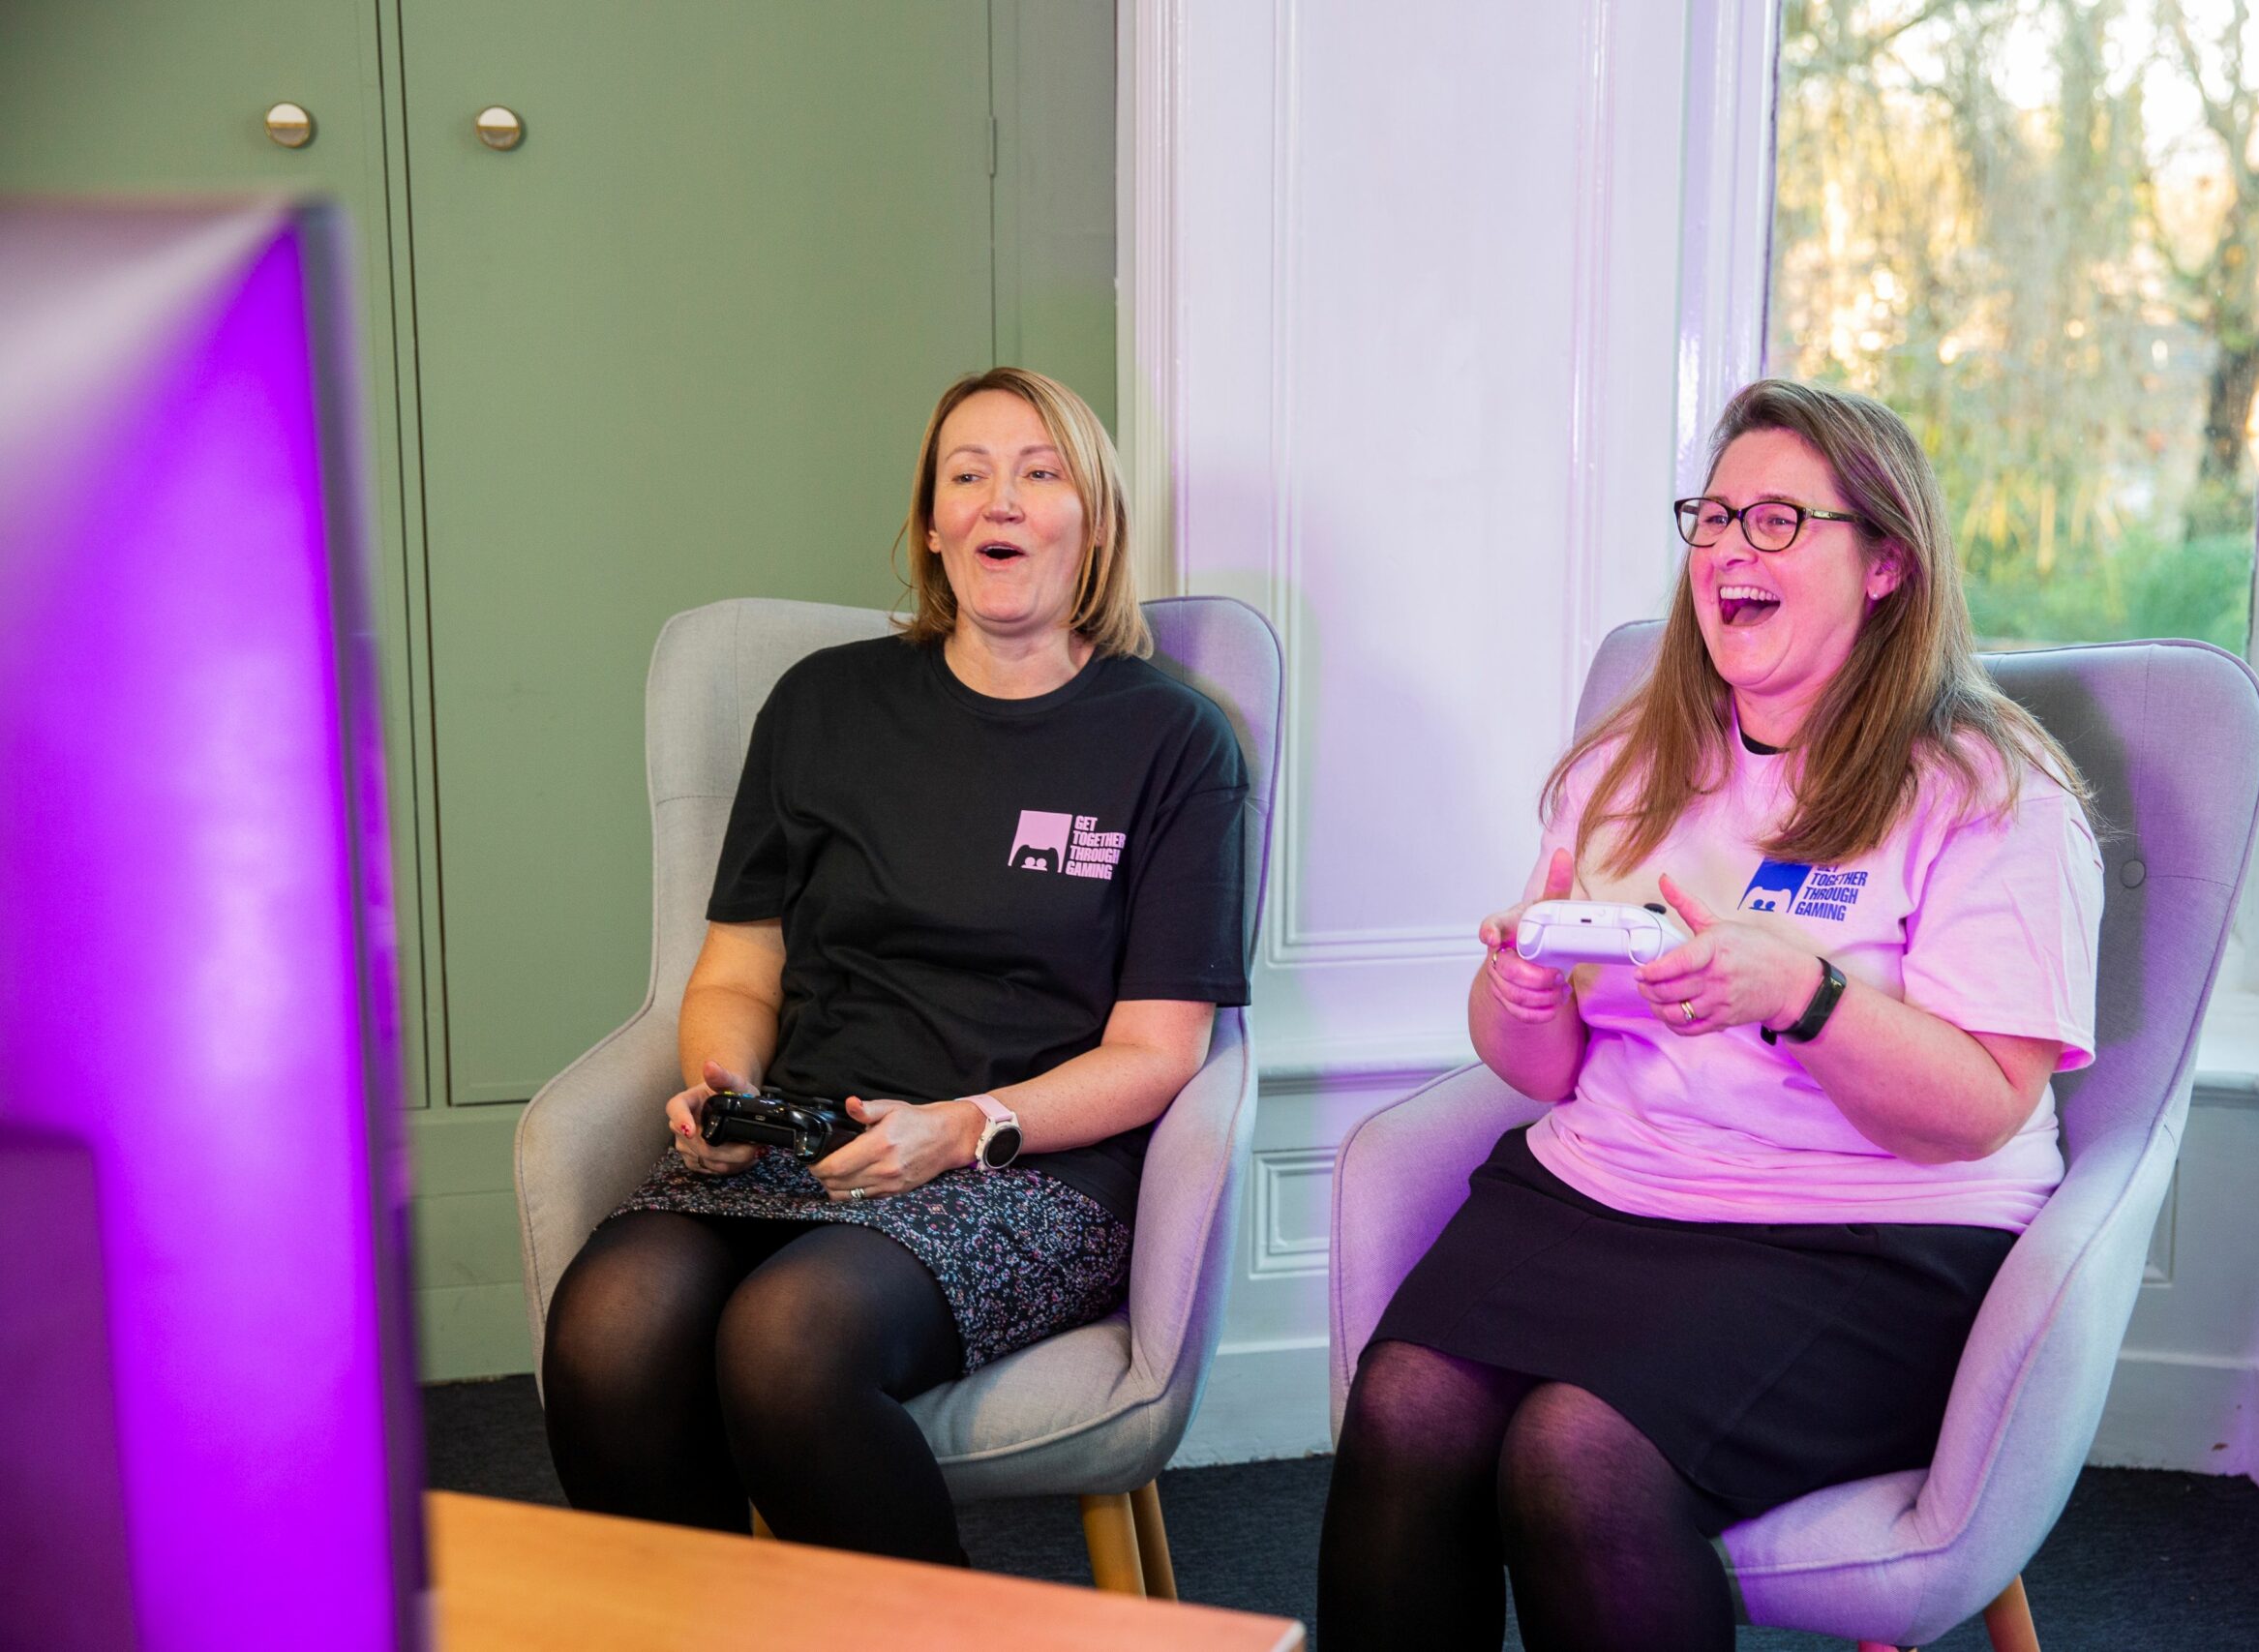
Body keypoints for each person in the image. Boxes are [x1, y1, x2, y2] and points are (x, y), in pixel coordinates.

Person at [1316, 379, 2104, 1651]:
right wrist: (1519, 988)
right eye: (1717, 516)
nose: (1734, 547)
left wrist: (1800, 990)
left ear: (1889, 561)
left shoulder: (1988, 790)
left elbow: (1982, 1106)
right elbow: (1539, 1061)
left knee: (1576, 1450)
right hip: (1610, 1190)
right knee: (1406, 1405)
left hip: (1865, 1232)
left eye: (1782, 519)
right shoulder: (1627, 767)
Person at [539, 368, 1251, 1565]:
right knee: (607, 1329)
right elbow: (738, 972)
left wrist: (965, 1125)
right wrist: (725, 1089)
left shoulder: (1171, 740)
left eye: (1038, 473)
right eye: (964, 476)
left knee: (789, 1340)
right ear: (931, 525)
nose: (998, 502)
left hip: (1031, 1167)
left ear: (1094, 518)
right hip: (809, 1141)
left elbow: (1158, 1049)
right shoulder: (822, 706)